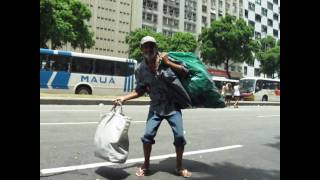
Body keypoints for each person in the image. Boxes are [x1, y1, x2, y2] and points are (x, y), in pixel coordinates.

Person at [113, 36, 192, 178]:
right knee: (147, 136)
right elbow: (140, 90)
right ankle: (146, 165)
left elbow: (186, 72)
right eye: (145, 46)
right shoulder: (140, 69)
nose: (148, 49)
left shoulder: (167, 59)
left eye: (151, 46)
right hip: (156, 107)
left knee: (179, 136)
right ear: (141, 49)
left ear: (156, 47)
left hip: (173, 106)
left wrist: (169, 63)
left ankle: (179, 166)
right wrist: (124, 98)